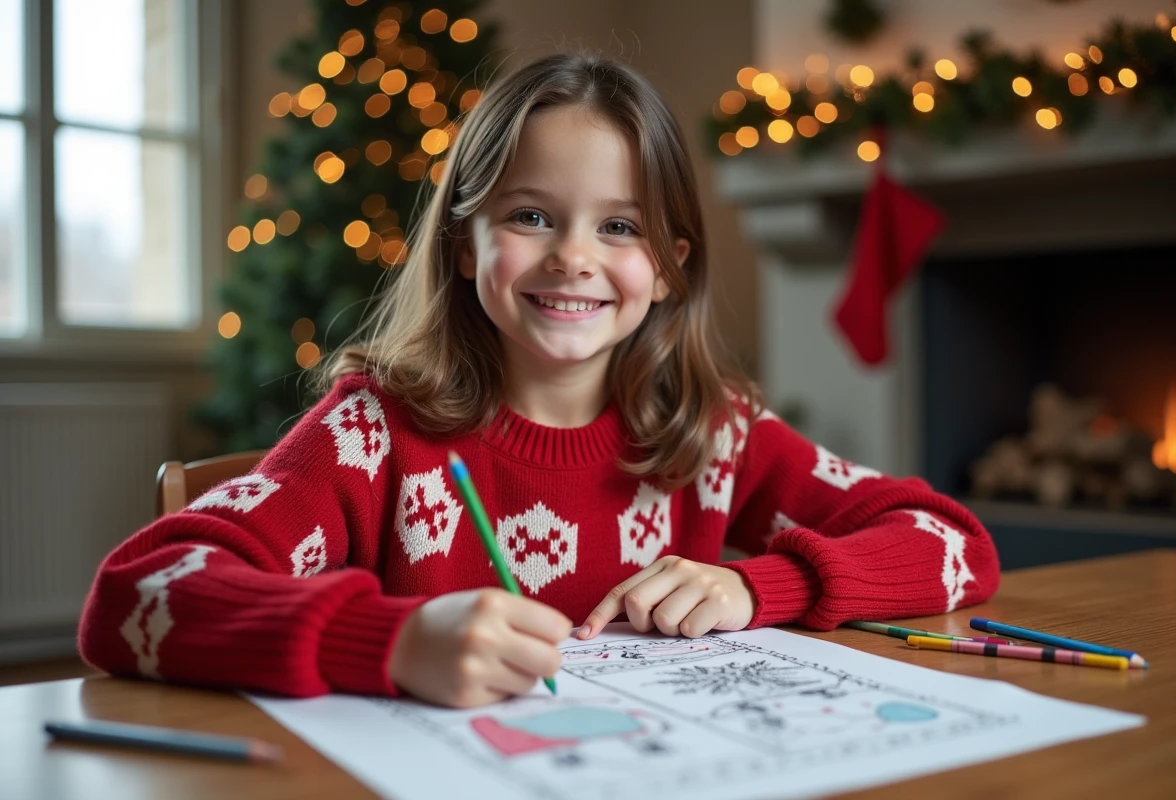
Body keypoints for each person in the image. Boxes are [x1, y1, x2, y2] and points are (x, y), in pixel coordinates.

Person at [79, 52, 999, 708]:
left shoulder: (713, 431)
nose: (572, 258)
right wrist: (388, 640)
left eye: (620, 227)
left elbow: (955, 543)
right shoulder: (373, 435)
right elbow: (136, 592)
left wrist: (765, 588)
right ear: (463, 242)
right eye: (530, 215)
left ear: (671, 266)